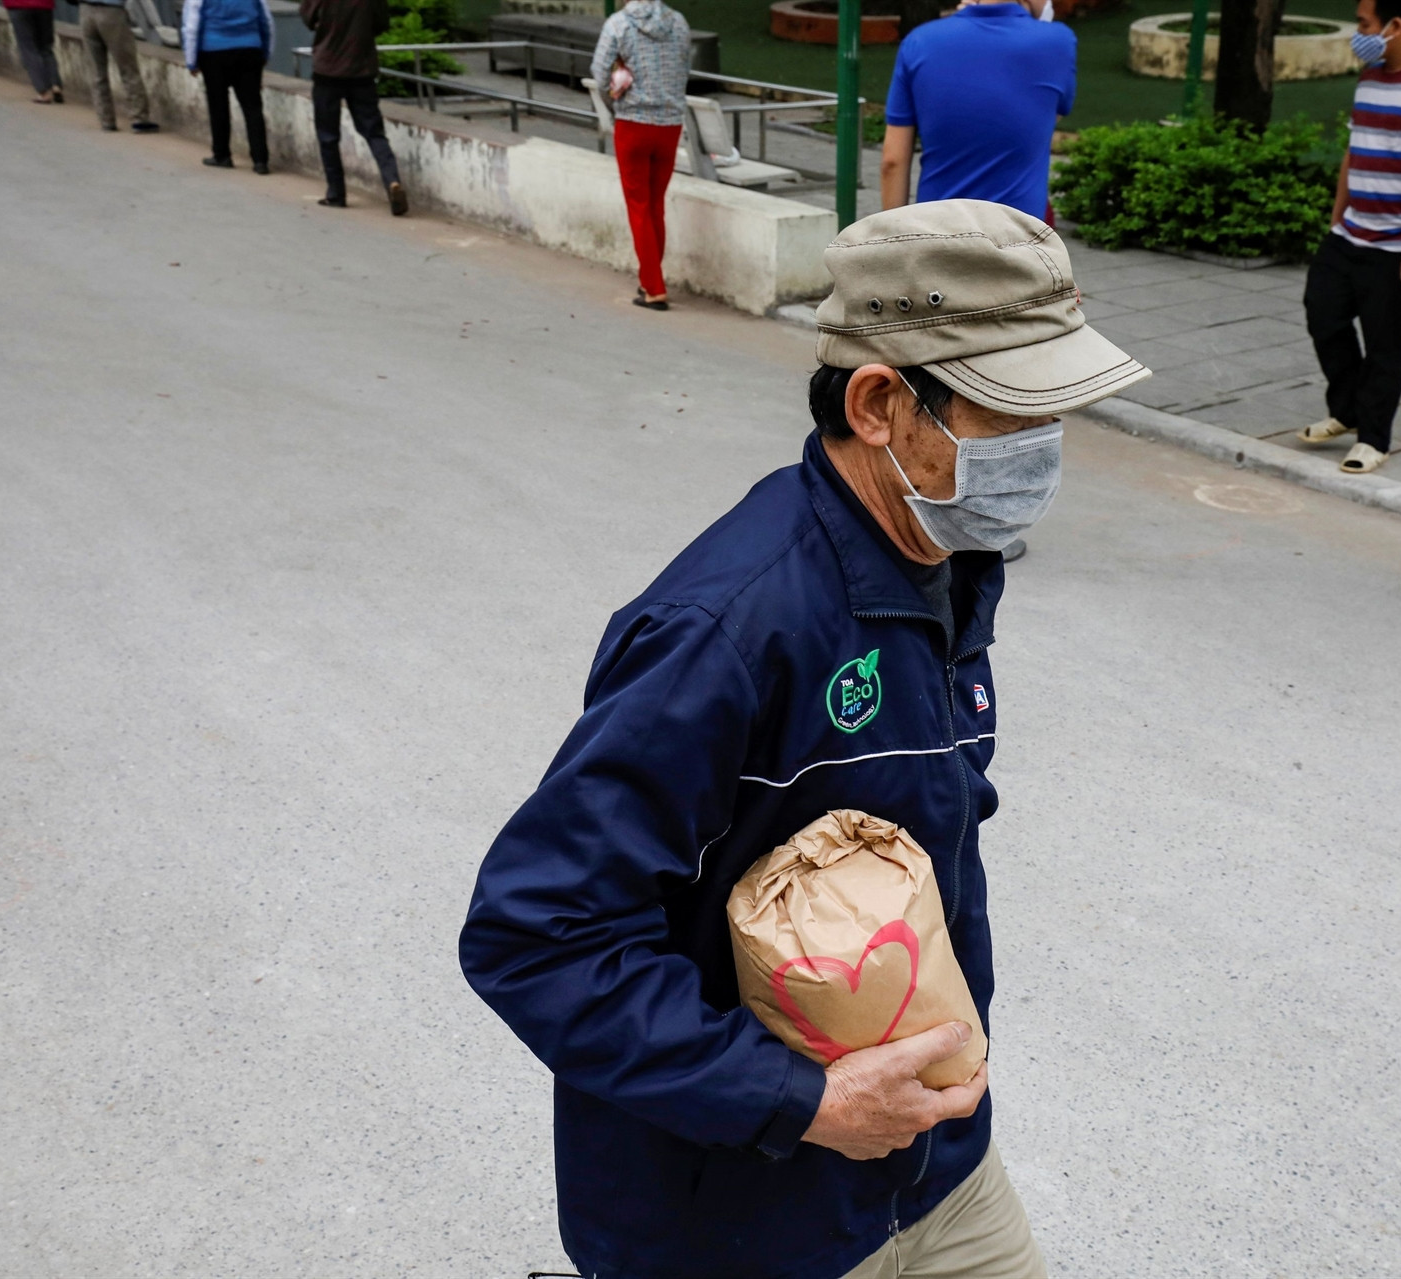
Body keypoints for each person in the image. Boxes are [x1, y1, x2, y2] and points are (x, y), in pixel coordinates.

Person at [460, 200, 1148, 1279]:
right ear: (880, 403)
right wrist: (807, 1098)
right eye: (1013, 415)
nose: (1044, 453)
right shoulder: (727, 630)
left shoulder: (952, 559)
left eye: (1055, 416)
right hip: (751, 1218)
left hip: (939, 1166)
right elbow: (536, 933)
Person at [1297, 0, 1401, 476]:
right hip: (1352, 231)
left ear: (1395, 25)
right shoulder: (1373, 74)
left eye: (1364, 24)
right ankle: (1348, 409)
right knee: (1323, 313)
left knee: (1384, 341)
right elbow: (1356, 149)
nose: (1358, 32)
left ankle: (1373, 437)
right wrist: (1336, 218)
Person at [879, 0, 1074, 221]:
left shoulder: (919, 42)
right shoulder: (1059, 42)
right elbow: (1046, 115)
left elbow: (892, 161)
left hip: (937, 233)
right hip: (1019, 239)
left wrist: (894, 240)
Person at [591, 0, 691, 310]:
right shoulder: (679, 22)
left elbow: (597, 72)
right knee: (655, 204)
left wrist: (615, 98)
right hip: (669, 125)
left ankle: (653, 286)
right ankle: (650, 277)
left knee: (638, 205)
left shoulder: (618, 24)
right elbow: (684, 68)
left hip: (633, 124)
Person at [299, 0, 408, 215]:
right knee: (374, 132)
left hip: (328, 69)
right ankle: (392, 180)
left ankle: (336, 194)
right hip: (362, 68)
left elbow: (307, 18)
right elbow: (382, 23)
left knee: (328, 134)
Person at [182, 0, 274, 174]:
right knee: (253, 106)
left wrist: (191, 60)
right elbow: (266, 22)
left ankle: (222, 155)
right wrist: (265, 53)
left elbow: (192, 26)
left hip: (213, 51)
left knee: (218, 105)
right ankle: (260, 160)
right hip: (249, 50)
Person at [77, 0, 159, 133]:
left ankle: (106, 119)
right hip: (112, 11)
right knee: (128, 68)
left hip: (86, 10)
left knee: (96, 71)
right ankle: (139, 118)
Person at [4, 0, 62, 104]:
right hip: (44, 5)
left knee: (29, 49)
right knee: (45, 47)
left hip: (19, 5)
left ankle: (43, 91)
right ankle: (55, 85)